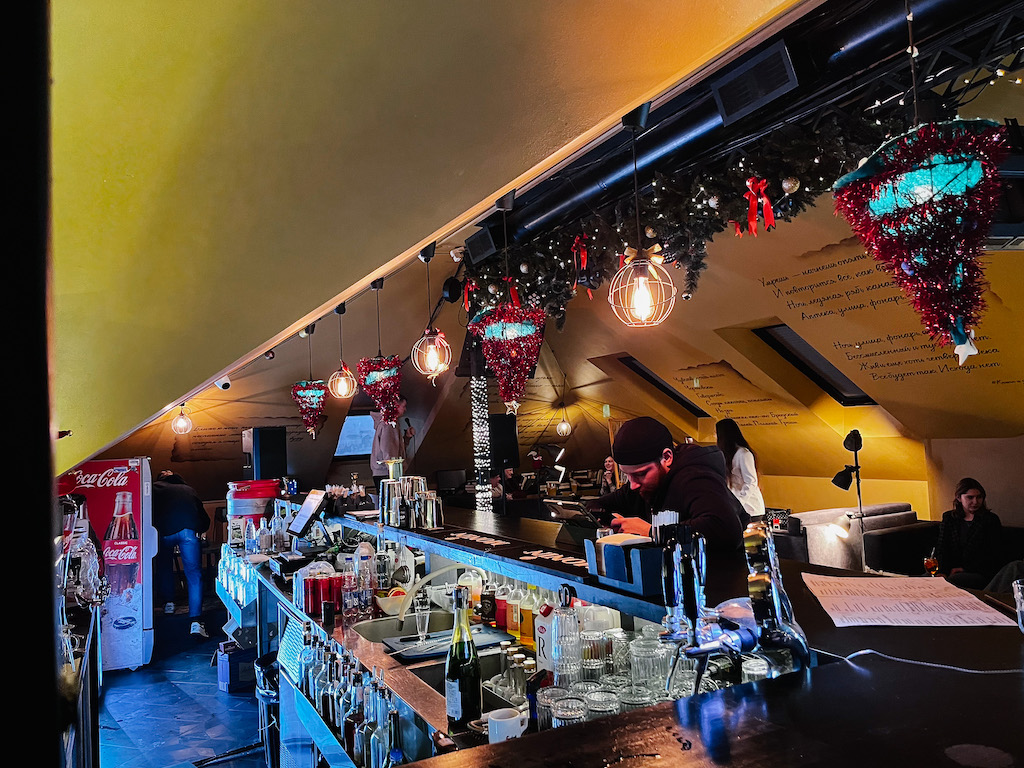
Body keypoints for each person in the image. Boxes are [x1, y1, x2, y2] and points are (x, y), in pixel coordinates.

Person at [586, 416, 748, 553]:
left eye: (641, 474)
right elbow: (595, 506)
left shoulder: (695, 476)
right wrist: (611, 520)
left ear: (667, 457)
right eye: (628, 475)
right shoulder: (639, 486)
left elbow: (726, 530)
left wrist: (651, 531)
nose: (633, 485)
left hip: (724, 574)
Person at [152, 470, 212, 638]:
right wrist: (200, 530)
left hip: (164, 532)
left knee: (164, 567)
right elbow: (203, 517)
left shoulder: (154, 488)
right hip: (188, 531)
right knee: (194, 575)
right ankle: (196, 621)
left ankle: (169, 604)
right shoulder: (188, 489)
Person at [935, 477, 1004, 589]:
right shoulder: (949, 518)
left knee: (953, 581)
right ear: (959, 498)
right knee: (926, 578)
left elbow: (993, 554)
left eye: (979, 497)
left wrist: (965, 568)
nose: (975, 502)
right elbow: (942, 547)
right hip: (950, 569)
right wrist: (941, 571)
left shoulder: (990, 520)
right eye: (970, 497)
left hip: (978, 571)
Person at [715, 418, 766, 520]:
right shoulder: (729, 454)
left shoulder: (743, 454)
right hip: (737, 509)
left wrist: (738, 502)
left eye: (716, 433)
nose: (715, 436)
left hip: (751, 509)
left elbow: (751, 482)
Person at [370, 397, 415, 492]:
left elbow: (396, 449)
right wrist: (395, 476)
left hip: (384, 472)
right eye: (403, 406)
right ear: (396, 405)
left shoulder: (391, 424)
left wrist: (406, 438)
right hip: (387, 473)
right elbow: (388, 452)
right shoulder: (389, 426)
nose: (405, 409)